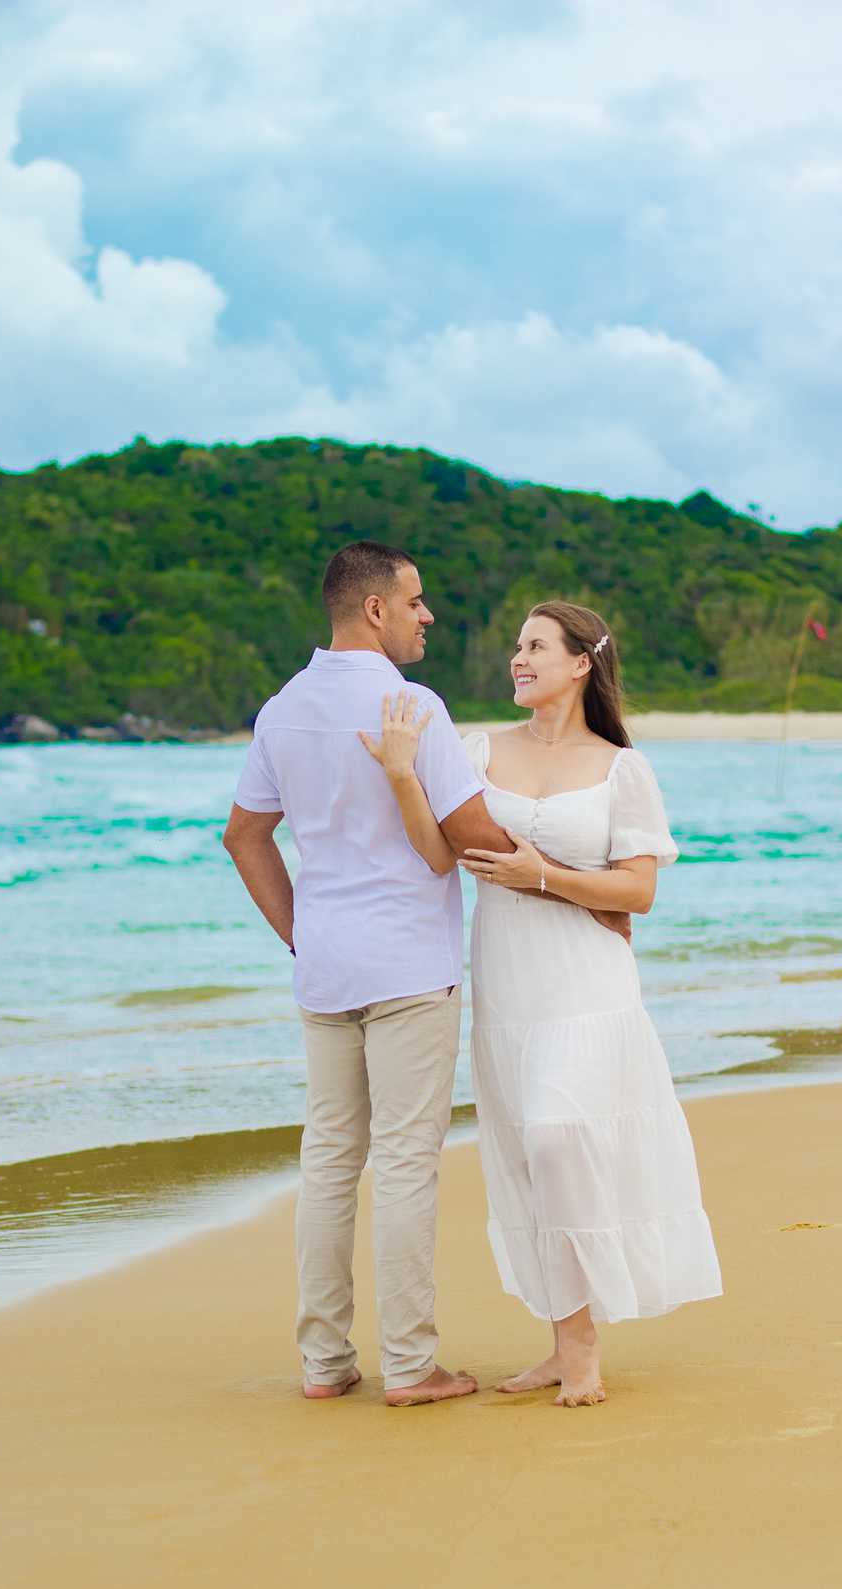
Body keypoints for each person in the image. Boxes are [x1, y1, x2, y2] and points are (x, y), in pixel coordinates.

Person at [222, 544, 626, 1406]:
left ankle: (325, 1363)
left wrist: (301, 934)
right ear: (376, 610)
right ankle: (410, 1366)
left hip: (325, 970)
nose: (427, 614)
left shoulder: (282, 709)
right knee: (405, 1164)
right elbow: (471, 834)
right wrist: (582, 888)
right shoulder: (412, 706)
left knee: (329, 1162)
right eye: (415, 602)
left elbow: (243, 837)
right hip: (406, 968)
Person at [368, 600, 722, 1406]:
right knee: (534, 1158)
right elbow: (438, 855)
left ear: (581, 663)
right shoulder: (478, 750)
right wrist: (401, 775)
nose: (518, 659)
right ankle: (563, 1345)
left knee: (560, 1138)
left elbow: (638, 891)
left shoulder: (622, 769)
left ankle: (583, 1345)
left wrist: (547, 877)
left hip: (588, 981)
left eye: (536, 646)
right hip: (509, 982)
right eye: (517, 646)